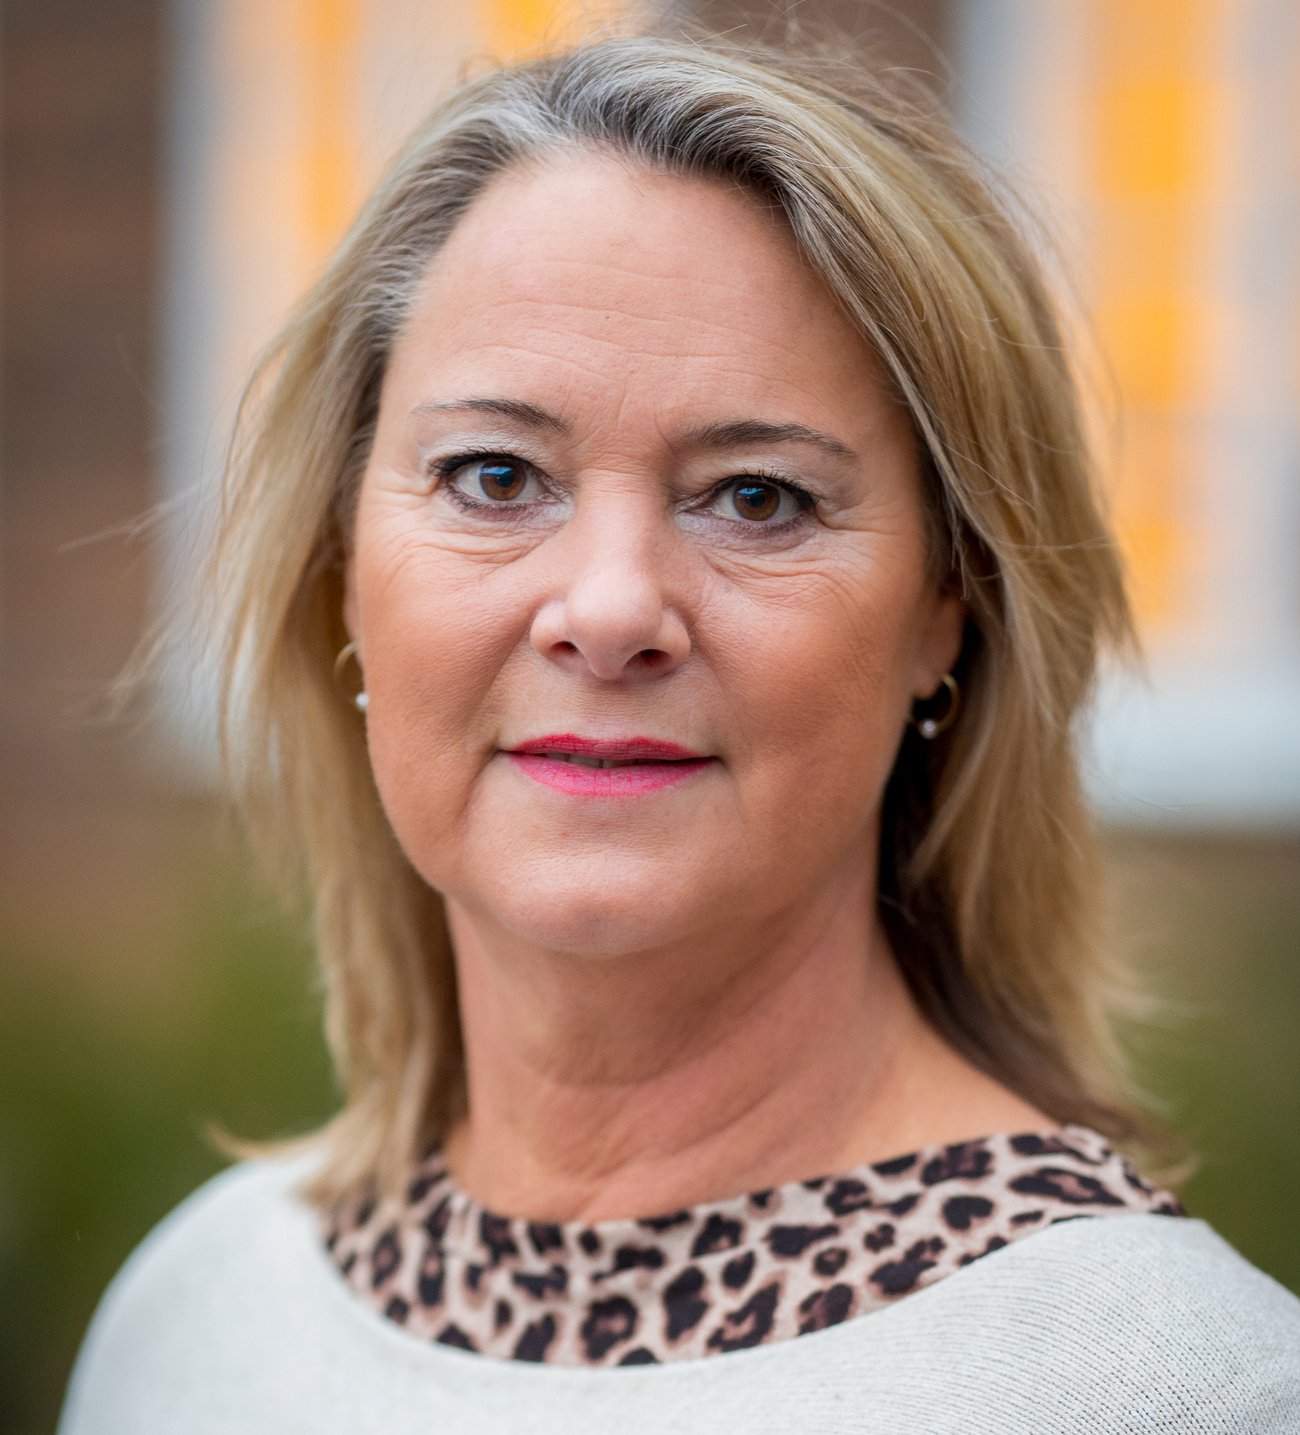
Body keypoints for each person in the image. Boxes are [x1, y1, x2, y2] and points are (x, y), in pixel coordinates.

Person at [58, 27, 1300, 1433]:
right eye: (494, 475)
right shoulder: (195, 1324)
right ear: (342, 573)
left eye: (757, 498)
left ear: (946, 610)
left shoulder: (1179, 1391)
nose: (608, 609)